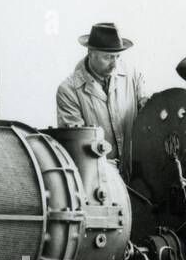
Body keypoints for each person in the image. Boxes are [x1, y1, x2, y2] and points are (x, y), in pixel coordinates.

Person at [55, 22, 148, 175]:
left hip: (137, 179)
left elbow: (147, 110)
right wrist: (101, 163)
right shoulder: (68, 91)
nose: (114, 64)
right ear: (90, 53)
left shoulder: (133, 76)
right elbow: (75, 145)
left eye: (117, 56)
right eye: (108, 57)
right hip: (98, 181)